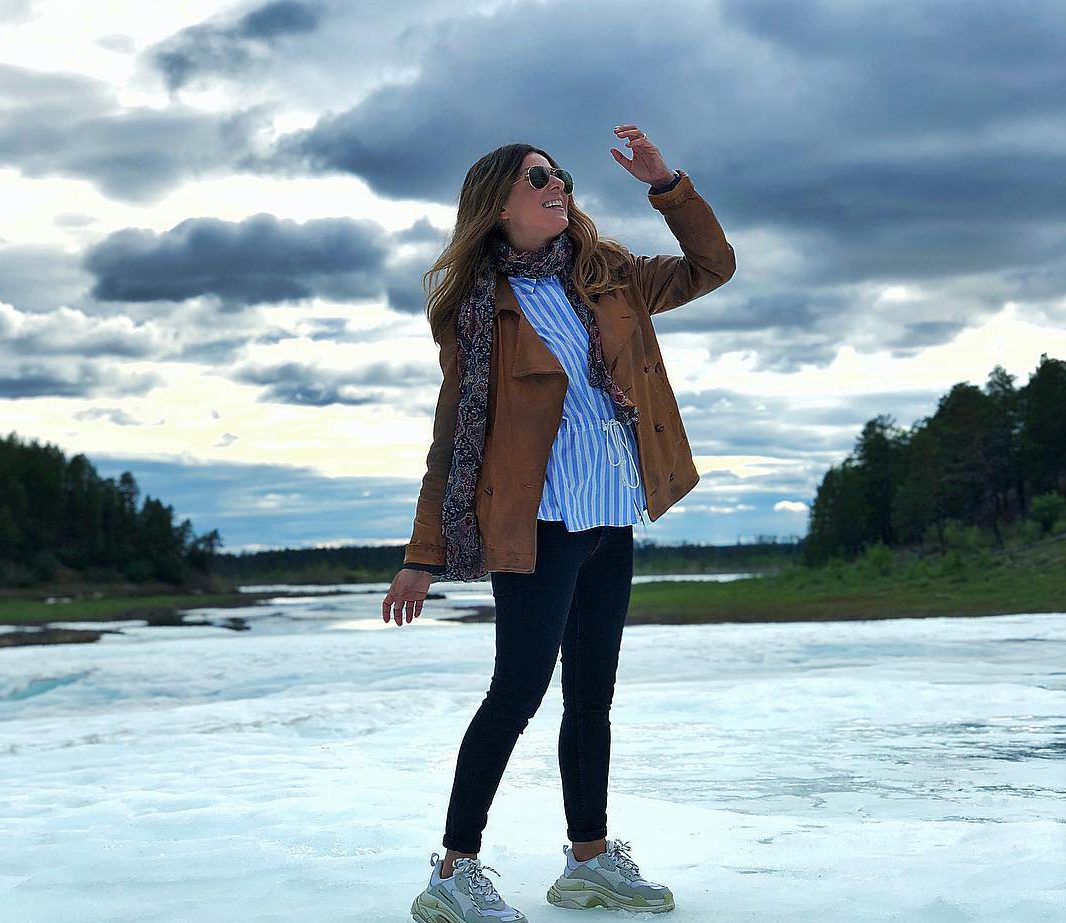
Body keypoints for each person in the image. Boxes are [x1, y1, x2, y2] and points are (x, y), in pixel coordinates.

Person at [384, 125, 737, 922]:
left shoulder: (608, 278)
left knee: (591, 700)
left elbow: (712, 265)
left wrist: (668, 185)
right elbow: (454, 440)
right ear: (498, 206)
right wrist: (421, 556)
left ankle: (588, 860)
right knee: (516, 693)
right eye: (538, 177)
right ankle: (453, 871)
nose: (559, 185)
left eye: (560, 174)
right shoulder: (478, 313)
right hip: (539, 525)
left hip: (611, 514)